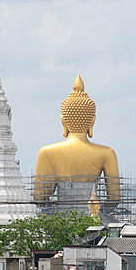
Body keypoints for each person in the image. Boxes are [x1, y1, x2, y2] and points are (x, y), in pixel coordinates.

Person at [34, 75, 120, 212]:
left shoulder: (46, 153)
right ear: (92, 121)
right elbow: (114, 198)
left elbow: (39, 198)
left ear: (63, 121)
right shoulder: (107, 153)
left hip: (59, 221)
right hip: (94, 220)